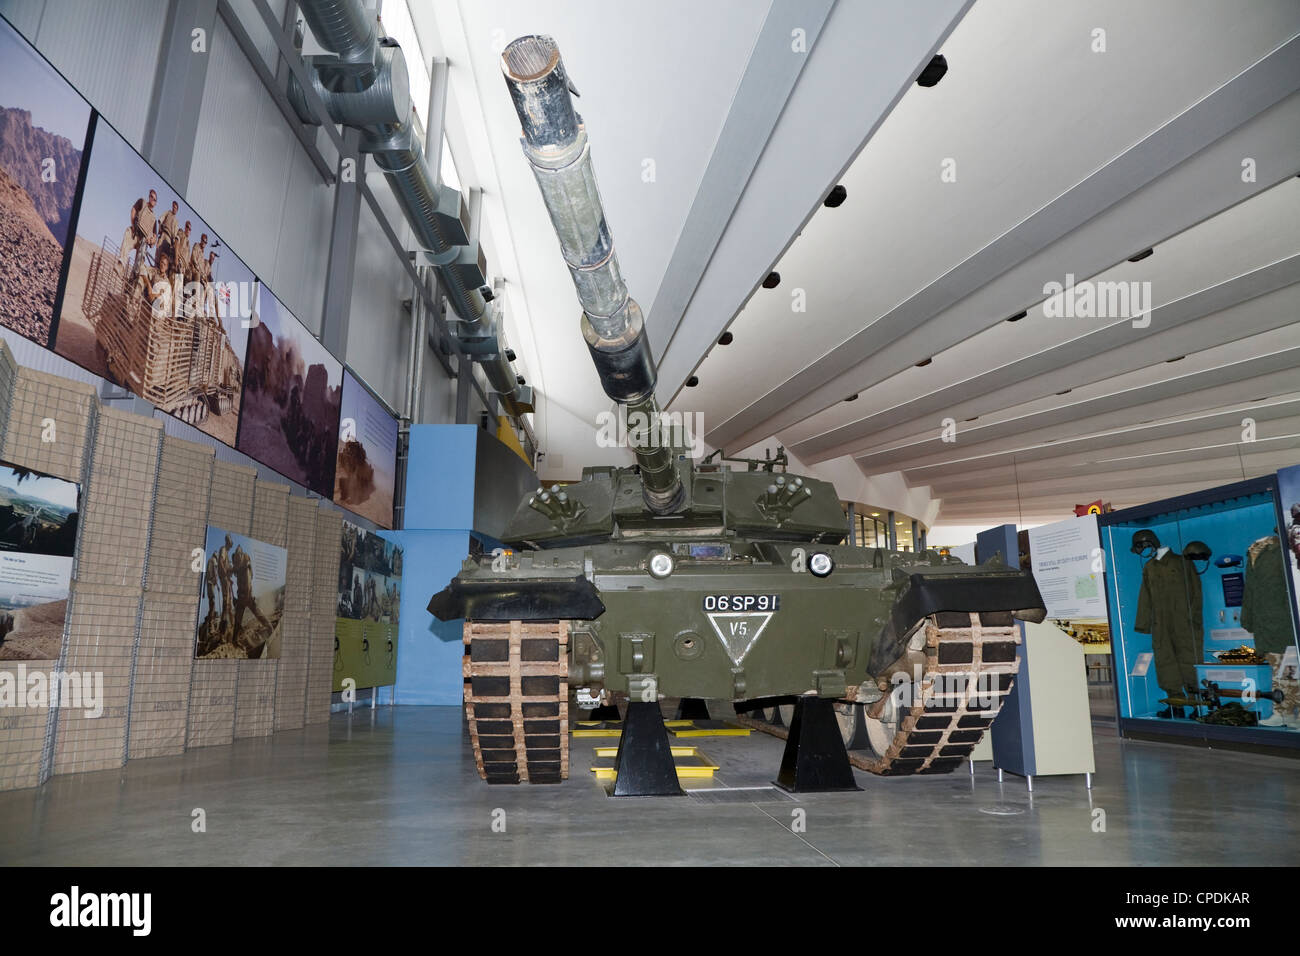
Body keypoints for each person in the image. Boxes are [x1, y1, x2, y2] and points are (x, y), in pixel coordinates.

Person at [231, 543, 271, 644]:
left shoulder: (246, 566)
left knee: (258, 614)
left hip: (247, 596)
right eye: (235, 560)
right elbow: (233, 571)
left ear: (241, 556)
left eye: (237, 559)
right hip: (241, 595)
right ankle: (234, 640)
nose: (236, 562)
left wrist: (246, 597)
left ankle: (270, 628)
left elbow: (248, 584)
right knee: (237, 620)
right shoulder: (238, 564)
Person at [119, 189, 159, 272]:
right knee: (128, 234)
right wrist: (133, 225)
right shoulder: (142, 202)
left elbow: (155, 236)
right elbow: (133, 210)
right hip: (135, 233)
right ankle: (121, 265)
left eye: (154, 199)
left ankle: (133, 278)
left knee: (139, 264)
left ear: (156, 203)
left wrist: (152, 240)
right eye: (151, 196)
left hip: (143, 241)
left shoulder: (154, 218)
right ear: (149, 196)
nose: (152, 200)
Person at [216, 534, 235, 637]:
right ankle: (222, 631)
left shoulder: (227, 553)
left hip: (226, 580)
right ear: (228, 543)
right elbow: (220, 563)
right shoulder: (223, 549)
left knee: (229, 604)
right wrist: (226, 577)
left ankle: (232, 626)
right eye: (230, 544)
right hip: (224, 579)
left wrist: (230, 579)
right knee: (226, 603)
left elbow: (226, 567)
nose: (230, 546)